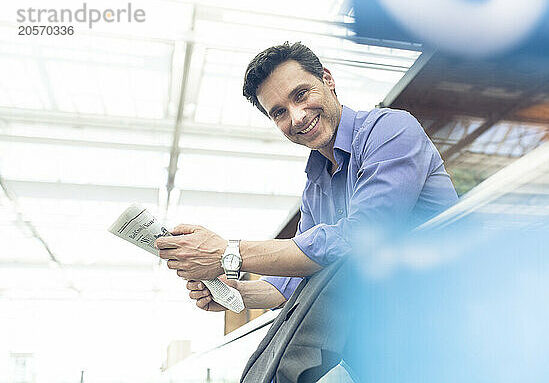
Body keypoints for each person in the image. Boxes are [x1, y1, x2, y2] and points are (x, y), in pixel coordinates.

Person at [156, 42, 458, 311]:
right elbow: (297, 279)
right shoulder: (315, 185)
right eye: (279, 112)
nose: (297, 116)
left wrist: (227, 252)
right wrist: (235, 293)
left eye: (301, 94)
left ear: (327, 79)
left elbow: (361, 236)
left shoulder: (390, 130)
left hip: (448, 309)